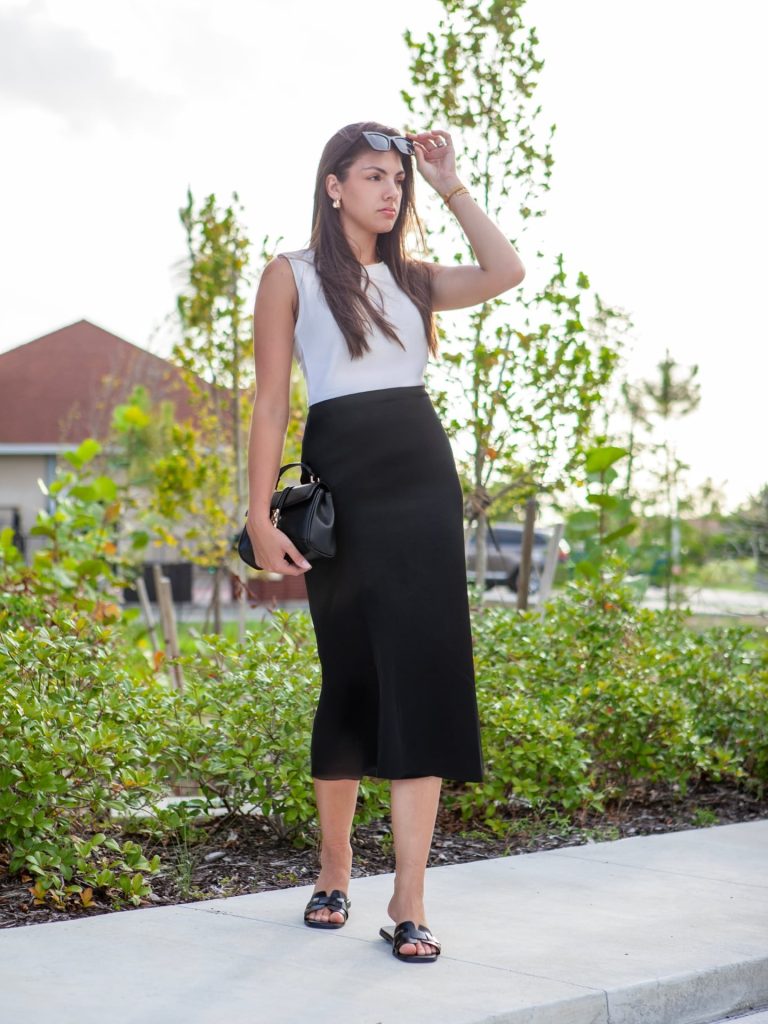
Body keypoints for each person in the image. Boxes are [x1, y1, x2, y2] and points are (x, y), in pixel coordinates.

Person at [246, 120, 525, 963]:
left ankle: (410, 897)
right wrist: (259, 517)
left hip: (420, 480)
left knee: (429, 677)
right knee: (353, 677)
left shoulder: (416, 279)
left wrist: (449, 184)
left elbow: (507, 270)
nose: (387, 190)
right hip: (345, 480)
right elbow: (268, 404)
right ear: (333, 185)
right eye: (372, 176)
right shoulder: (288, 274)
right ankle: (334, 872)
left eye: (394, 180)